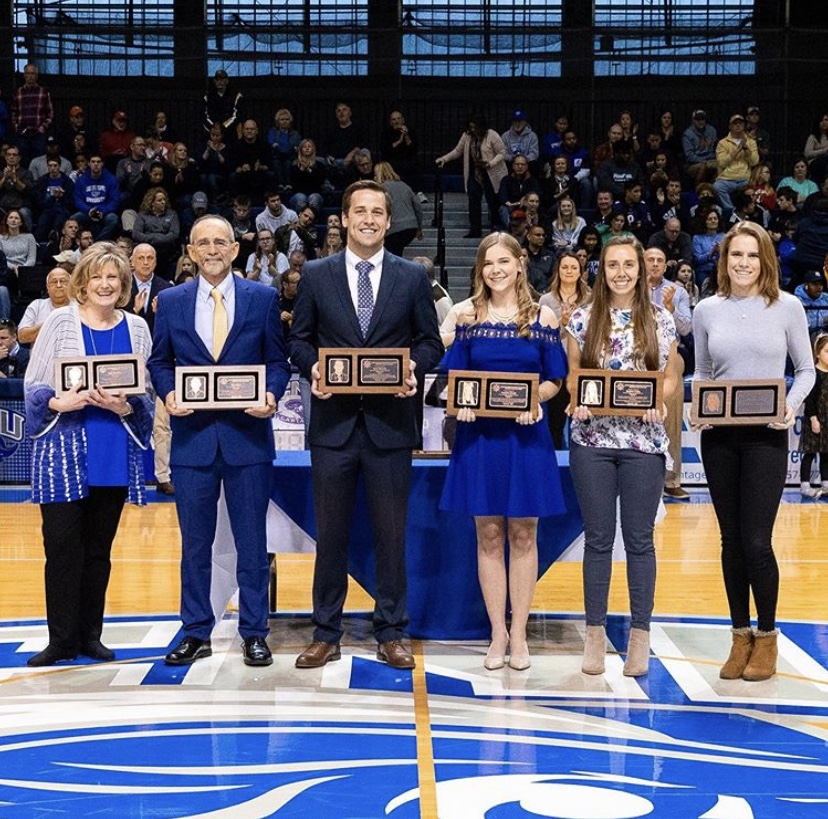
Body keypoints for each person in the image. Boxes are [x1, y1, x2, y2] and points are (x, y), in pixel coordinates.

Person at [289, 180, 443, 670]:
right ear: (345, 218)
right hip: (333, 427)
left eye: (378, 211)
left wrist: (412, 370)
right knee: (330, 534)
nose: (370, 220)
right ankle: (325, 631)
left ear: (388, 219)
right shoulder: (315, 274)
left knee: (390, 534)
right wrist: (312, 366)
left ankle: (392, 631)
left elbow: (430, 343)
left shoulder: (412, 277)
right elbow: (299, 340)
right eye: (361, 211)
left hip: (389, 426)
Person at [147, 214, 291, 668]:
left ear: (234, 250)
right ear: (190, 251)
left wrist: (270, 393)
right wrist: (169, 392)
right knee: (195, 545)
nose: (212, 249)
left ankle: (254, 631)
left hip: (247, 439)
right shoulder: (169, 301)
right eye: (203, 242)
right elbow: (158, 362)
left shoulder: (263, 298)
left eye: (220, 242)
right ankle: (195, 631)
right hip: (192, 442)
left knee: (251, 543)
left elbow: (278, 361)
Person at [692, 221, 815, 682]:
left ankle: (767, 637)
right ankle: (738, 634)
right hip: (719, 438)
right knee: (730, 541)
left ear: (766, 260)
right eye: (734, 255)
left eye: (751, 255)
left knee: (757, 542)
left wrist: (791, 404)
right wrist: (697, 408)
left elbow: (805, 370)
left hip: (767, 436)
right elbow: (703, 371)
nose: (743, 263)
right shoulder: (706, 310)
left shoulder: (788, 307)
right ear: (723, 260)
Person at [439, 233, 566, 671]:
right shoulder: (467, 316)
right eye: (487, 263)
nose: (495, 269)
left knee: (524, 534)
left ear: (519, 264)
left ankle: (521, 633)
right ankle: (497, 632)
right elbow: (452, 383)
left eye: (503, 262)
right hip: (480, 441)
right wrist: (463, 405)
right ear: (481, 269)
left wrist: (537, 401)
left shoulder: (543, 316)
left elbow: (555, 379)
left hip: (526, 438)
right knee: (489, 534)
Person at [23, 242, 154, 666]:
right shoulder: (59, 321)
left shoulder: (137, 328)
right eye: (96, 276)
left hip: (112, 454)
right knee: (62, 549)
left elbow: (146, 396)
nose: (104, 284)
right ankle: (60, 640)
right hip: (62, 454)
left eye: (112, 277)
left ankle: (89, 636)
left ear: (122, 283)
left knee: (99, 552)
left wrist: (127, 406)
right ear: (82, 282)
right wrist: (58, 403)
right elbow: (32, 387)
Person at [566, 235, 682, 678]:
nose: (621, 272)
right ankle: (594, 635)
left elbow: (668, 379)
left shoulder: (661, 319)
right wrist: (579, 398)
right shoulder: (580, 318)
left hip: (643, 444)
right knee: (597, 540)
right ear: (602, 269)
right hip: (593, 440)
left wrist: (660, 400)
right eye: (612, 264)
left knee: (639, 541)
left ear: (641, 269)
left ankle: (640, 636)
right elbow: (576, 377)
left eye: (628, 264)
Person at [125, 244, 174, 496]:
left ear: (155, 261)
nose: (145, 262)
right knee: (125, 420)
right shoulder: (120, 288)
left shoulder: (167, 289)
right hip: (126, 365)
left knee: (162, 424)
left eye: (150, 258)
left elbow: (176, 329)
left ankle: (163, 477)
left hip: (160, 363)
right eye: (140, 258)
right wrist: (131, 311)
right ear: (132, 261)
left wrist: (161, 313)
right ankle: (123, 478)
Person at [644, 246, 692, 499]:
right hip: (637, 357)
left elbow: (686, 329)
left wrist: (670, 309)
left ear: (665, 266)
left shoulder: (678, 291)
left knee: (671, 419)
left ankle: (672, 480)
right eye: (650, 259)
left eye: (659, 260)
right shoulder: (630, 286)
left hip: (670, 356)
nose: (654, 264)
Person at [539, 251, 591, 449]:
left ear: (581, 272)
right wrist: (562, 324)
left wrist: (574, 326)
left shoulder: (591, 298)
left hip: (582, 365)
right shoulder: (546, 300)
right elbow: (544, 337)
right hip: (557, 366)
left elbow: (594, 334)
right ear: (557, 271)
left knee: (582, 418)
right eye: (564, 267)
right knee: (556, 421)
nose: (569, 271)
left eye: (573, 267)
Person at [436, 116, 508, 238]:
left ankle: (495, 228)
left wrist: (490, 163)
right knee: (473, 201)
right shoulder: (467, 136)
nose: (473, 130)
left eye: (475, 127)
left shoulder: (492, 135)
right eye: (471, 127)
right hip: (475, 172)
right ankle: (475, 229)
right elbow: (457, 151)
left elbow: (502, 152)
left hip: (491, 172)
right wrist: (444, 159)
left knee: (493, 201)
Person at [799, 333, 828, 498]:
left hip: (827, 420)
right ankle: (805, 485)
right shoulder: (814, 375)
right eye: (826, 351)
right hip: (815, 420)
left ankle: (826, 483)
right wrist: (813, 418)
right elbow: (809, 400)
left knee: (826, 452)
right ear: (817, 353)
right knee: (810, 453)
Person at [374, 160, 423, 256]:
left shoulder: (381, 189)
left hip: (394, 229)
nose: (374, 177)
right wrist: (419, 227)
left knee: (391, 255)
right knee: (397, 253)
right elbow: (418, 206)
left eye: (375, 174)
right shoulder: (405, 186)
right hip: (410, 228)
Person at [11, 63, 53, 164]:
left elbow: (50, 113)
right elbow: (13, 112)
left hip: (38, 133)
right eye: (28, 73)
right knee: (22, 161)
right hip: (22, 133)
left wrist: (43, 127)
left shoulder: (43, 92)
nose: (30, 76)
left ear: (37, 75)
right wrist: (16, 127)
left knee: (39, 161)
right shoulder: (18, 92)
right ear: (24, 75)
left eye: (33, 73)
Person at [18, 266, 72, 345]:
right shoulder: (37, 305)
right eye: (54, 282)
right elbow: (22, 336)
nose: (59, 285)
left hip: (72, 355)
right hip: (42, 356)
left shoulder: (80, 306)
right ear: (47, 287)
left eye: (63, 281)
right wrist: (52, 323)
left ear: (71, 285)